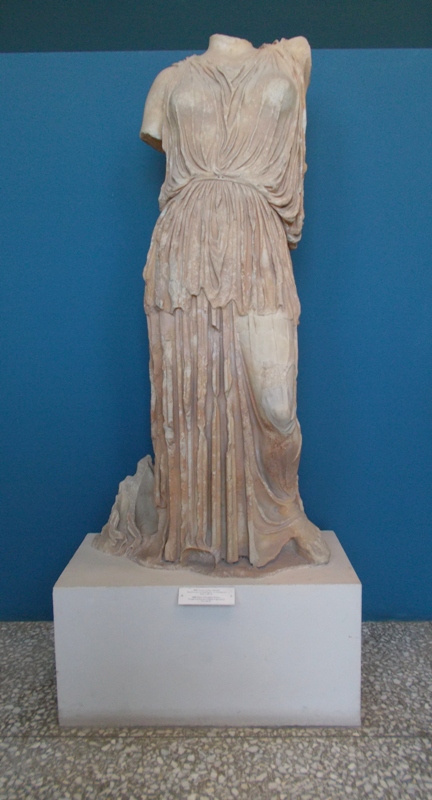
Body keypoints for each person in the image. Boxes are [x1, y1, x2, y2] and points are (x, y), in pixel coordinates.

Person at [93, 34, 330, 571]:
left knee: (276, 405)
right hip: (187, 245)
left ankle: (284, 511)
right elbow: (157, 135)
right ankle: (195, 531)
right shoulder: (170, 81)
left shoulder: (288, 61)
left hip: (257, 240)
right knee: (193, 401)